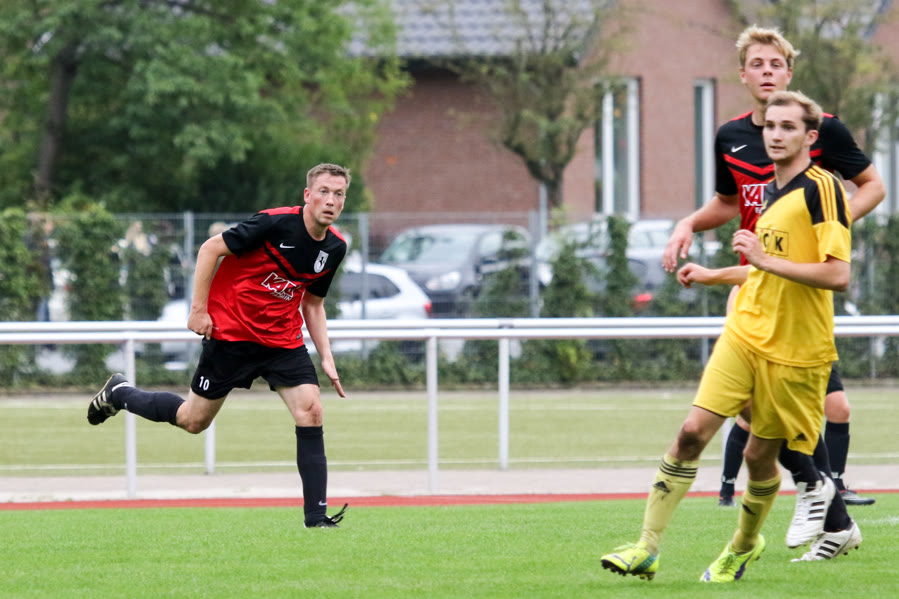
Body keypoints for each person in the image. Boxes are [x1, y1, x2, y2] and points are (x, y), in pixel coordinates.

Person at [603, 91, 858, 582]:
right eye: (770, 126)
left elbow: (837, 275)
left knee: (758, 457)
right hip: (746, 331)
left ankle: (743, 546)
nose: (775, 135)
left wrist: (762, 259)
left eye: (788, 127)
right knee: (691, 432)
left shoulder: (823, 187)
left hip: (794, 348)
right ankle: (646, 547)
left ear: (811, 137)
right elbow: (766, 272)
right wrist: (714, 275)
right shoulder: (770, 193)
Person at [663, 26, 883, 509]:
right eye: (757, 65)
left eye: (776, 65)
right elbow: (728, 202)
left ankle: (824, 497)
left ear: (789, 73)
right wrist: (688, 223)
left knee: (815, 408)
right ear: (742, 75)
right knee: (755, 409)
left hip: (801, 290)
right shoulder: (731, 136)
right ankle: (820, 499)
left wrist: (828, 226)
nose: (767, 73)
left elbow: (873, 186)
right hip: (752, 282)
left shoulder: (822, 129)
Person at [87, 163, 351, 528]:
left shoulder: (335, 247)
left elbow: (313, 304)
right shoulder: (273, 223)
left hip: (282, 342)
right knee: (193, 420)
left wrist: (327, 356)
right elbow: (210, 249)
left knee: (312, 411)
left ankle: (316, 518)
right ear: (307, 195)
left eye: (339, 194)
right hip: (231, 335)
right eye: (323, 191)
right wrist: (198, 309)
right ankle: (120, 393)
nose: (331, 200)